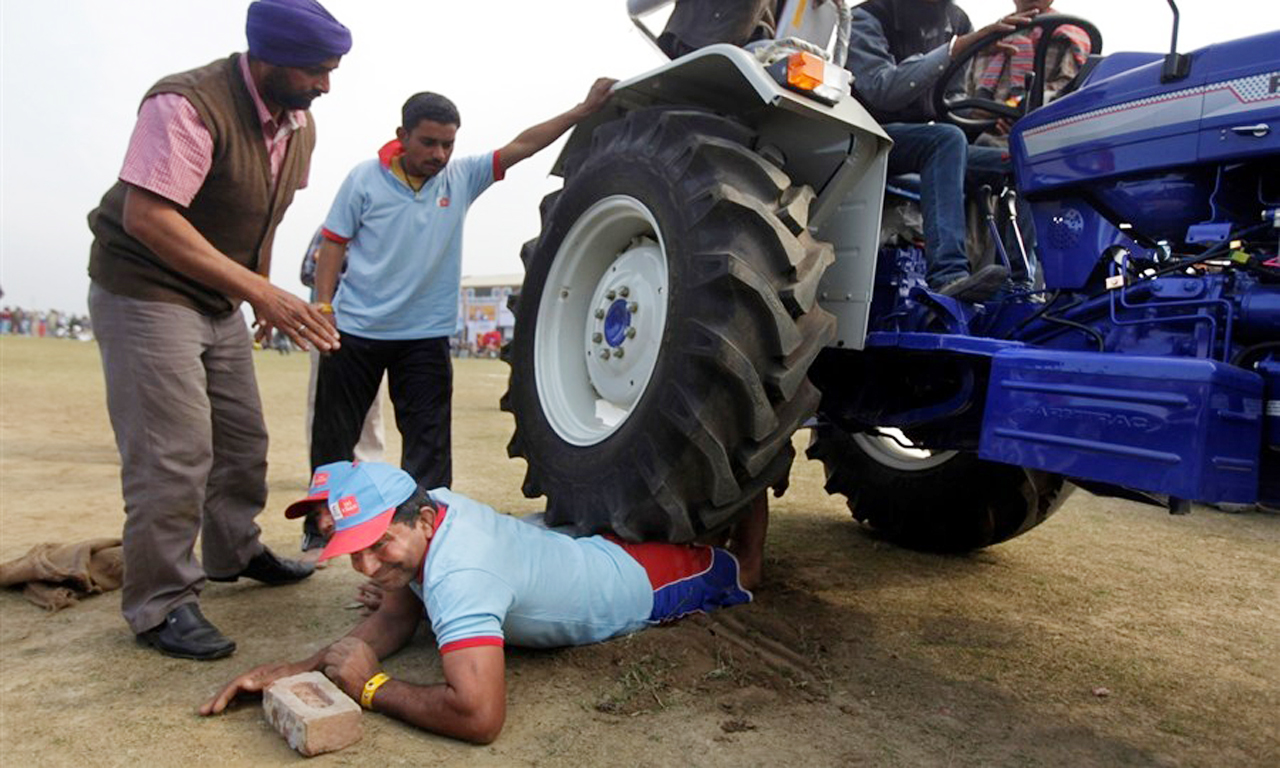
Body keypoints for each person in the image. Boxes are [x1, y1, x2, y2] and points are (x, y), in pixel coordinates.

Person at [85, 0, 351, 661]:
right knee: (172, 453)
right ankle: (161, 603)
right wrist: (262, 290)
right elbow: (148, 217)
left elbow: (267, 213)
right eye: (317, 70)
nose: (325, 86)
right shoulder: (186, 105)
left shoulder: (298, 125)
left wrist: (258, 295)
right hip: (147, 289)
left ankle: (233, 552)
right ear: (269, 58)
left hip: (219, 296)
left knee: (242, 440)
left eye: (332, 70)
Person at [201, 461, 767, 744]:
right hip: (567, 544)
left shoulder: (460, 575)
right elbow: (398, 614)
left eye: (379, 546)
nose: (369, 566)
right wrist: (294, 669)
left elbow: (480, 716)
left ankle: (761, 473)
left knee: (736, 567)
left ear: (421, 520)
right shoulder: (432, 507)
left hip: (628, 582)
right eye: (354, 552)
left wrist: (370, 687)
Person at [307, 79, 616, 492]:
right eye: (429, 142)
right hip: (356, 331)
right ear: (402, 136)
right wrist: (324, 308)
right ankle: (322, 526)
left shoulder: (461, 177)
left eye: (448, 144)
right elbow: (334, 242)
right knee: (334, 438)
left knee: (428, 445)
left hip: (424, 336)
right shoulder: (363, 179)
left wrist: (580, 110)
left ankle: (427, 529)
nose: (439, 154)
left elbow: (522, 146)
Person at [846, 0, 1039, 301]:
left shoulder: (957, 20)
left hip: (925, 140)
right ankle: (948, 277)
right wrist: (954, 49)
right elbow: (882, 89)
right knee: (944, 140)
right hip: (867, 137)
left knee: (1023, 162)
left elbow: (951, 99)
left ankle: (1017, 288)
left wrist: (986, 118)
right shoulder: (867, 16)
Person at [965, 0, 1093, 147]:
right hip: (977, 138)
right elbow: (962, 97)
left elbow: (1070, 92)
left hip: (1038, 140)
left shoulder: (1067, 36)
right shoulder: (986, 41)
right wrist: (975, 112)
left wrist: (1018, 109)